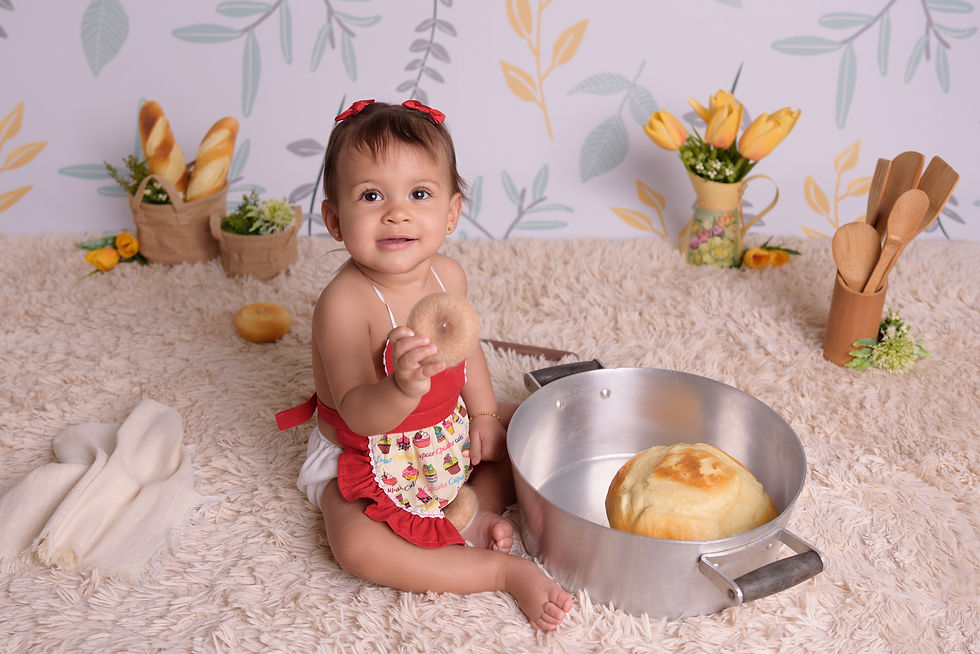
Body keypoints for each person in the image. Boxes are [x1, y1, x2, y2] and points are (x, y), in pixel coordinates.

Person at [276, 99, 573, 631]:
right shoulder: (343, 305)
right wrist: (399, 388)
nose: (397, 212)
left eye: (419, 194)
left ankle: (472, 511)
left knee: (522, 427)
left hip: (444, 431)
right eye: (372, 196)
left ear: (452, 213)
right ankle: (499, 573)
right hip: (365, 452)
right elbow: (357, 410)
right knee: (357, 548)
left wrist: (482, 416)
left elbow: (469, 353)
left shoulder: (447, 277)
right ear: (335, 220)